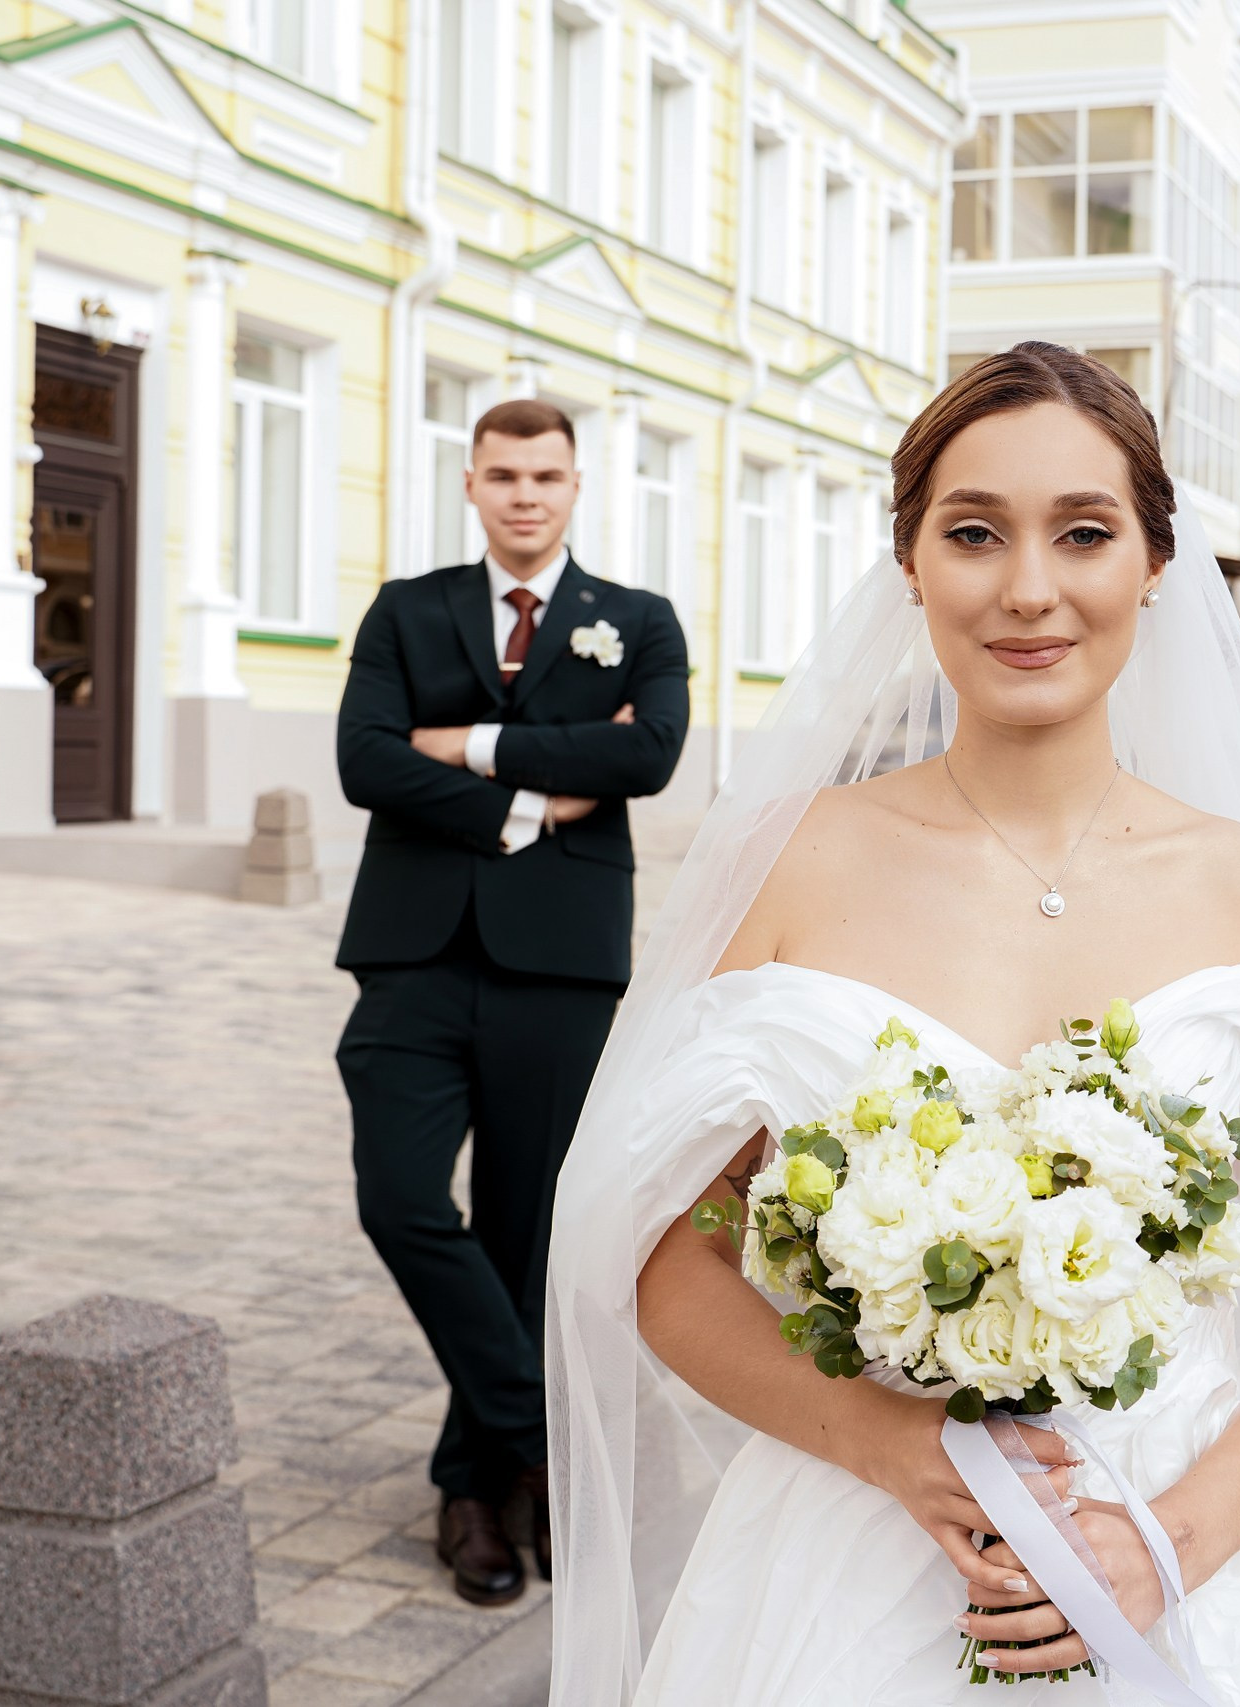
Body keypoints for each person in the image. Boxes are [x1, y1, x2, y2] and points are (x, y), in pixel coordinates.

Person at [545, 345, 1240, 1704]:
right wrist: (887, 1441)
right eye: (977, 532)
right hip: (850, 1557)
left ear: (1156, 565)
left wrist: (1159, 1552)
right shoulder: (786, 860)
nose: (1029, 587)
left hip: (1199, 1565)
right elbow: (670, 1261)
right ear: (914, 562)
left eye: (1085, 532)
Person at [332, 397, 690, 1607]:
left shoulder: (636, 621)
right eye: (501, 475)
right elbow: (362, 757)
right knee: (397, 1197)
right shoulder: (407, 608)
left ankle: (476, 1491)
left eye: (545, 475)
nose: (523, 494)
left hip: (561, 965)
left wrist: (468, 749)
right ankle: (539, 1435)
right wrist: (533, 800)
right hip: (413, 954)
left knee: (527, 1235)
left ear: (575, 485)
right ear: (472, 485)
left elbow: (647, 758)